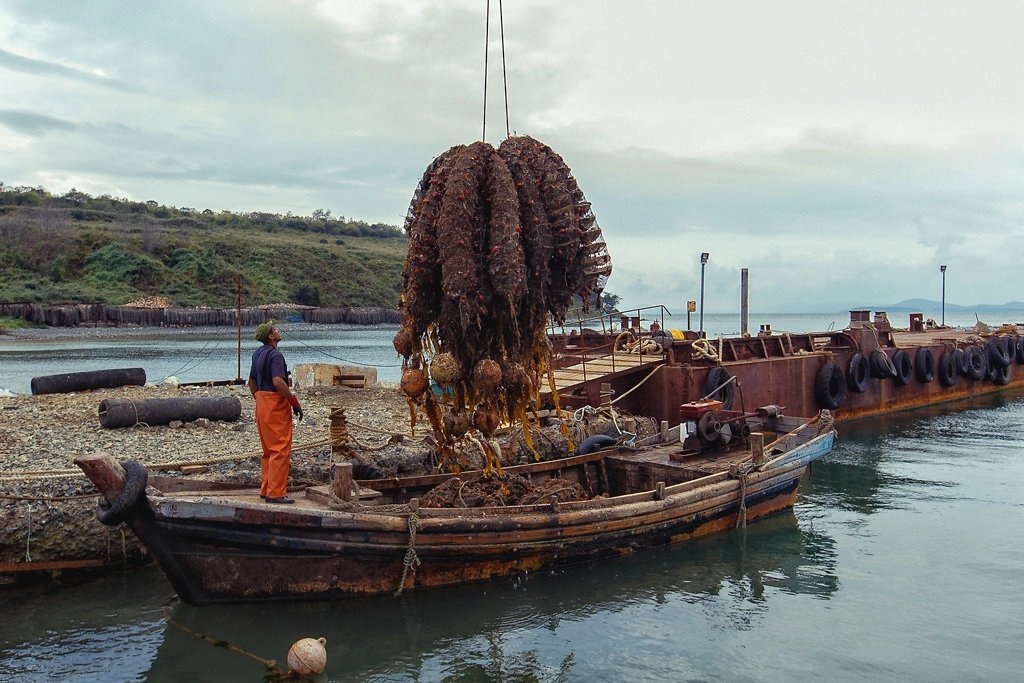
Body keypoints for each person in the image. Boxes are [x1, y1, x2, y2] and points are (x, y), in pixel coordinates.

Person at [248, 321, 303, 504]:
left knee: (268, 450)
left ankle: (266, 489)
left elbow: (251, 383)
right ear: (271, 336)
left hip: (261, 401)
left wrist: (260, 399)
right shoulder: (275, 355)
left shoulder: (257, 354)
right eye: (275, 329)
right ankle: (276, 493)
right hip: (274, 401)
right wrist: (293, 402)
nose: (278, 330)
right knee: (280, 448)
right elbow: (278, 381)